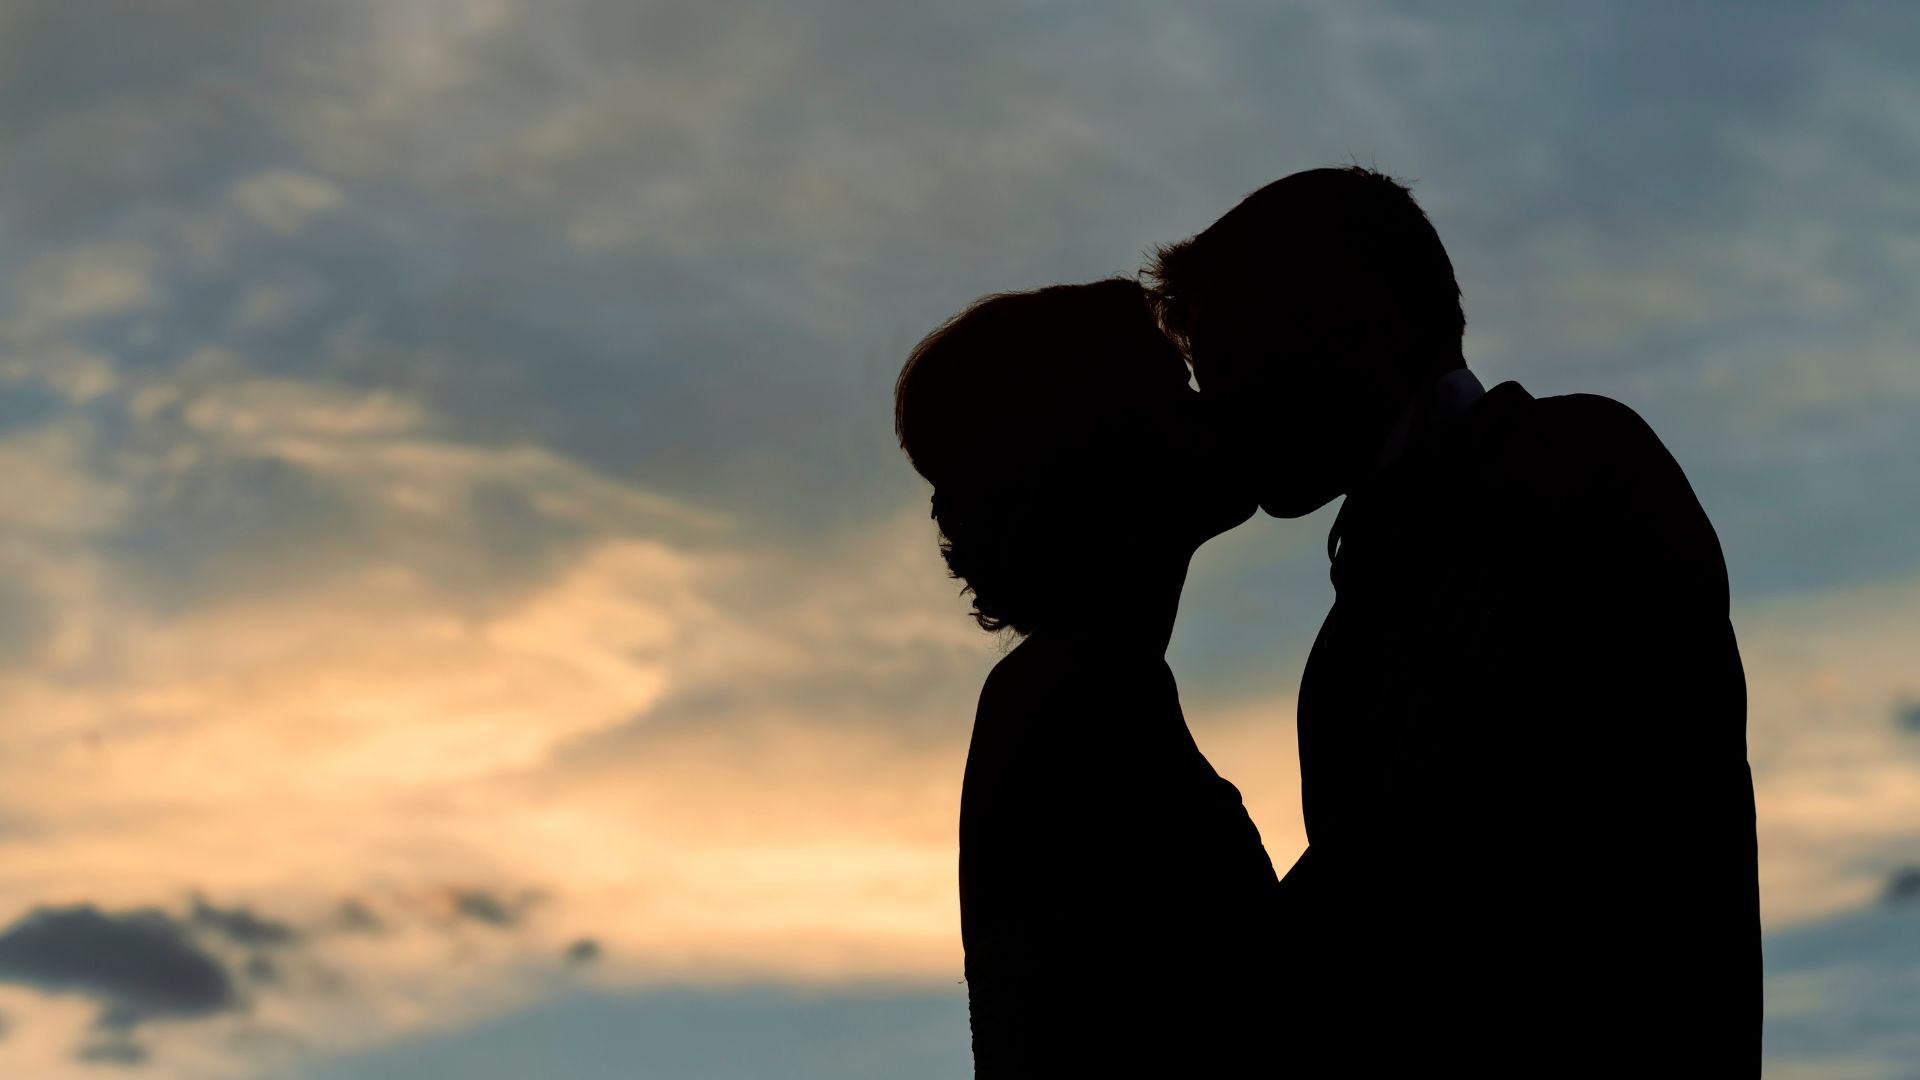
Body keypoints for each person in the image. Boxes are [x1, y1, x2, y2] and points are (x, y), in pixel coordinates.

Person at [1145, 166, 1762, 1074]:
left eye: (1231, 355)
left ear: (1354, 323)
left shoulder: (1575, 470)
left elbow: (1448, 864)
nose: (1218, 405)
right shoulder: (1372, 605)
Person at [895, 278, 1289, 1076]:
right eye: (1176, 391)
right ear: (1109, 448)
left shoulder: (1074, 687)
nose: (1211, 408)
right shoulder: (1076, 699)